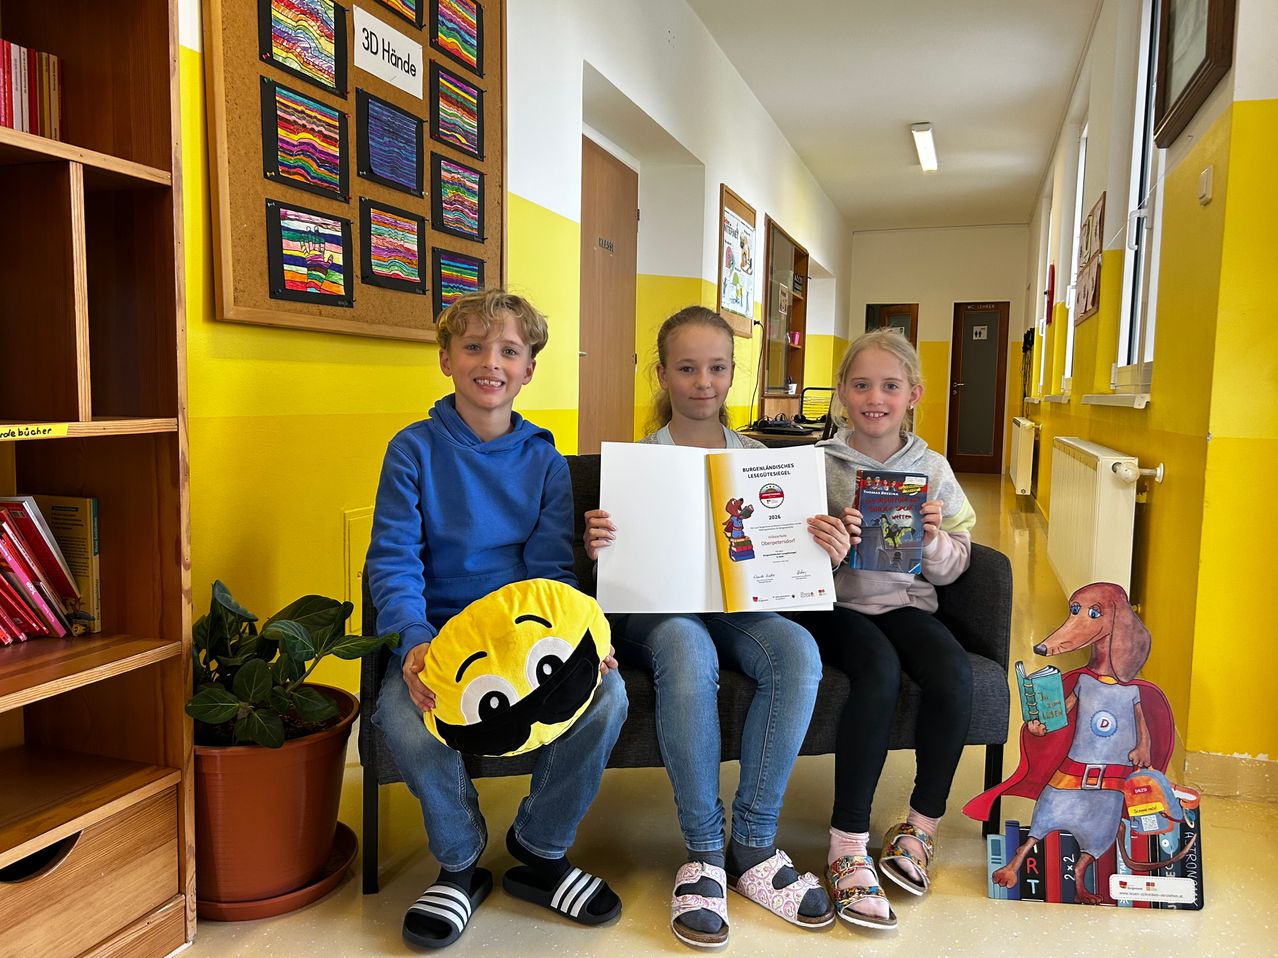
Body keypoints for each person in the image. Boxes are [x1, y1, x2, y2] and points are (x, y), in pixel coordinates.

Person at [368, 289, 628, 950]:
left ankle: (540, 849)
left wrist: (583, 636)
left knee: (608, 695)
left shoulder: (543, 458)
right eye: (475, 347)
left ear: (529, 368)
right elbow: (394, 561)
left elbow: (551, 571)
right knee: (401, 713)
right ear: (447, 359)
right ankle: (459, 864)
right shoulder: (412, 450)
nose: (492, 362)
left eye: (509, 350)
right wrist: (414, 642)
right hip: (442, 635)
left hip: (526, 636)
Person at [584, 305, 846, 947]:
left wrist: (821, 546)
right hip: (659, 611)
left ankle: (753, 846)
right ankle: (703, 851)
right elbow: (617, 569)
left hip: (739, 608)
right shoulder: (639, 460)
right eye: (687, 368)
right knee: (687, 647)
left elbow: (784, 557)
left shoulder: (758, 458)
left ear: (734, 374)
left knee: (798, 652)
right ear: (663, 374)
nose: (703, 382)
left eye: (717, 368)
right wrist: (597, 542)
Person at [794, 328, 976, 930]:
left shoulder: (933, 469)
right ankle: (847, 843)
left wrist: (933, 539)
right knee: (877, 673)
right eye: (862, 384)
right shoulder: (815, 465)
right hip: (837, 609)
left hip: (908, 603)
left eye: (890, 386)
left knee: (952, 672)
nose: (876, 397)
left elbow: (958, 565)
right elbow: (787, 563)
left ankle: (919, 828)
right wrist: (831, 543)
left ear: (914, 395)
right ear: (842, 393)